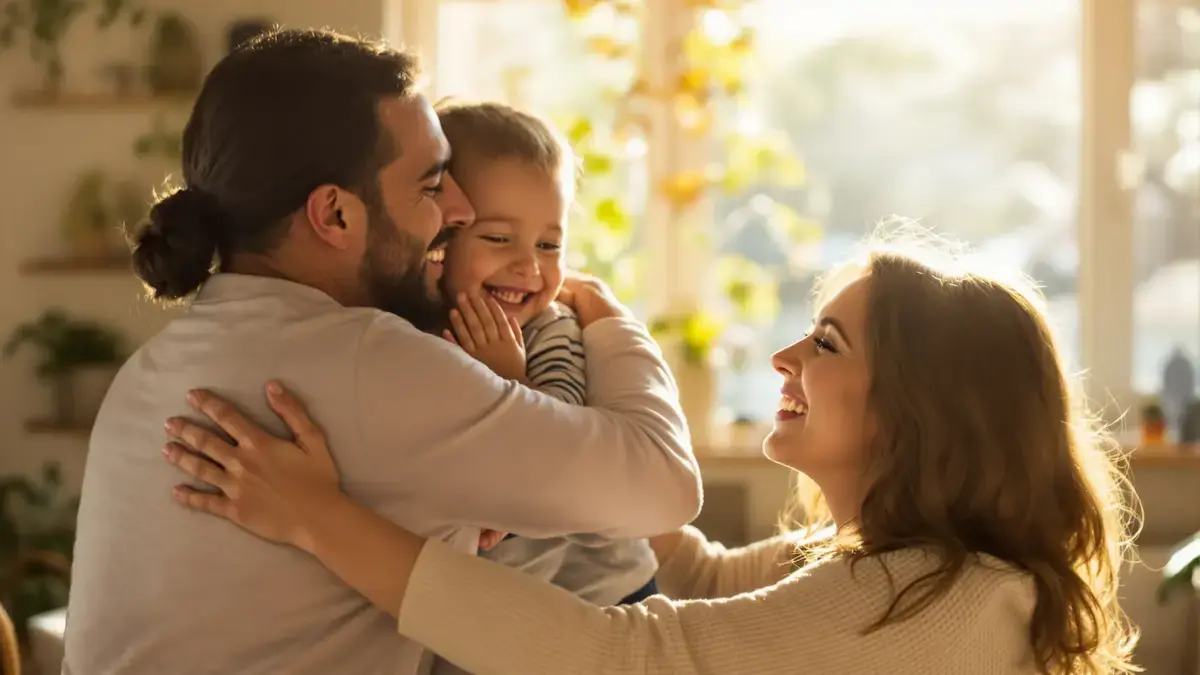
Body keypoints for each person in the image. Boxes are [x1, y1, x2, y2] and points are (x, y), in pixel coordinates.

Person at [162, 226, 1142, 674]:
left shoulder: (923, 601)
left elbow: (626, 656)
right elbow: (704, 580)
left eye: (829, 344)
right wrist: (564, 425)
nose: (784, 355)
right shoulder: (925, 572)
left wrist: (321, 518)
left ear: (916, 412)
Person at [64, 28, 700, 675]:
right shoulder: (371, 361)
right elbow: (666, 487)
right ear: (334, 215)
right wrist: (609, 317)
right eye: (430, 186)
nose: (456, 211)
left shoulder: (147, 370)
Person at [434, 100, 660, 608]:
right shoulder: (415, 330)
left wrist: (509, 381)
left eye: (549, 246)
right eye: (498, 238)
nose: (528, 266)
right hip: (499, 605)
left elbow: (565, 448)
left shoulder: (549, 329)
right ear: (440, 232)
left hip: (604, 595)